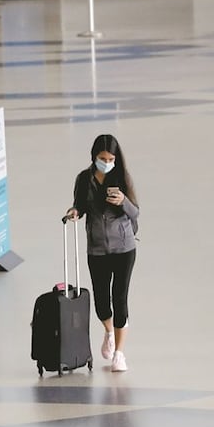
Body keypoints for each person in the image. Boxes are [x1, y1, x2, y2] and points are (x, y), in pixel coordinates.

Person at [66, 134, 139, 372]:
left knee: (120, 298)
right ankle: (108, 331)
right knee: (101, 302)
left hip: (124, 247)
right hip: (97, 249)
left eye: (110, 158)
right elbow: (80, 205)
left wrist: (123, 202)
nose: (106, 162)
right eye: (102, 158)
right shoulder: (84, 179)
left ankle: (119, 353)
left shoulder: (122, 177)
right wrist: (74, 212)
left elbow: (135, 212)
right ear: (94, 157)